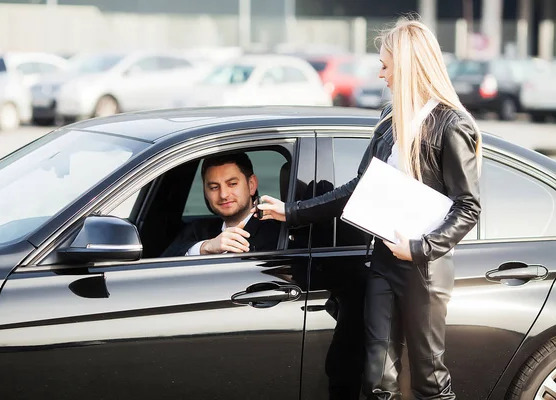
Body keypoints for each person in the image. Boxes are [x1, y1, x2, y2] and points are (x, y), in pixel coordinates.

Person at [254, 17, 481, 400]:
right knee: (377, 378)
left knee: (428, 379)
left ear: (407, 66)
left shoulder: (450, 125)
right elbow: (358, 189)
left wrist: (421, 248)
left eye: (386, 65)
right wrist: (291, 212)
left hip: (424, 268)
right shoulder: (389, 125)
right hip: (383, 262)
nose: (381, 74)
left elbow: (468, 207)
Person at [161, 152, 281, 257]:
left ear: (251, 185)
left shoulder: (277, 232)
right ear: (205, 192)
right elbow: (159, 267)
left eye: (232, 184)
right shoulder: (198, 230)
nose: (223, 194)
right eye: (214, 187)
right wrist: (205, 248)